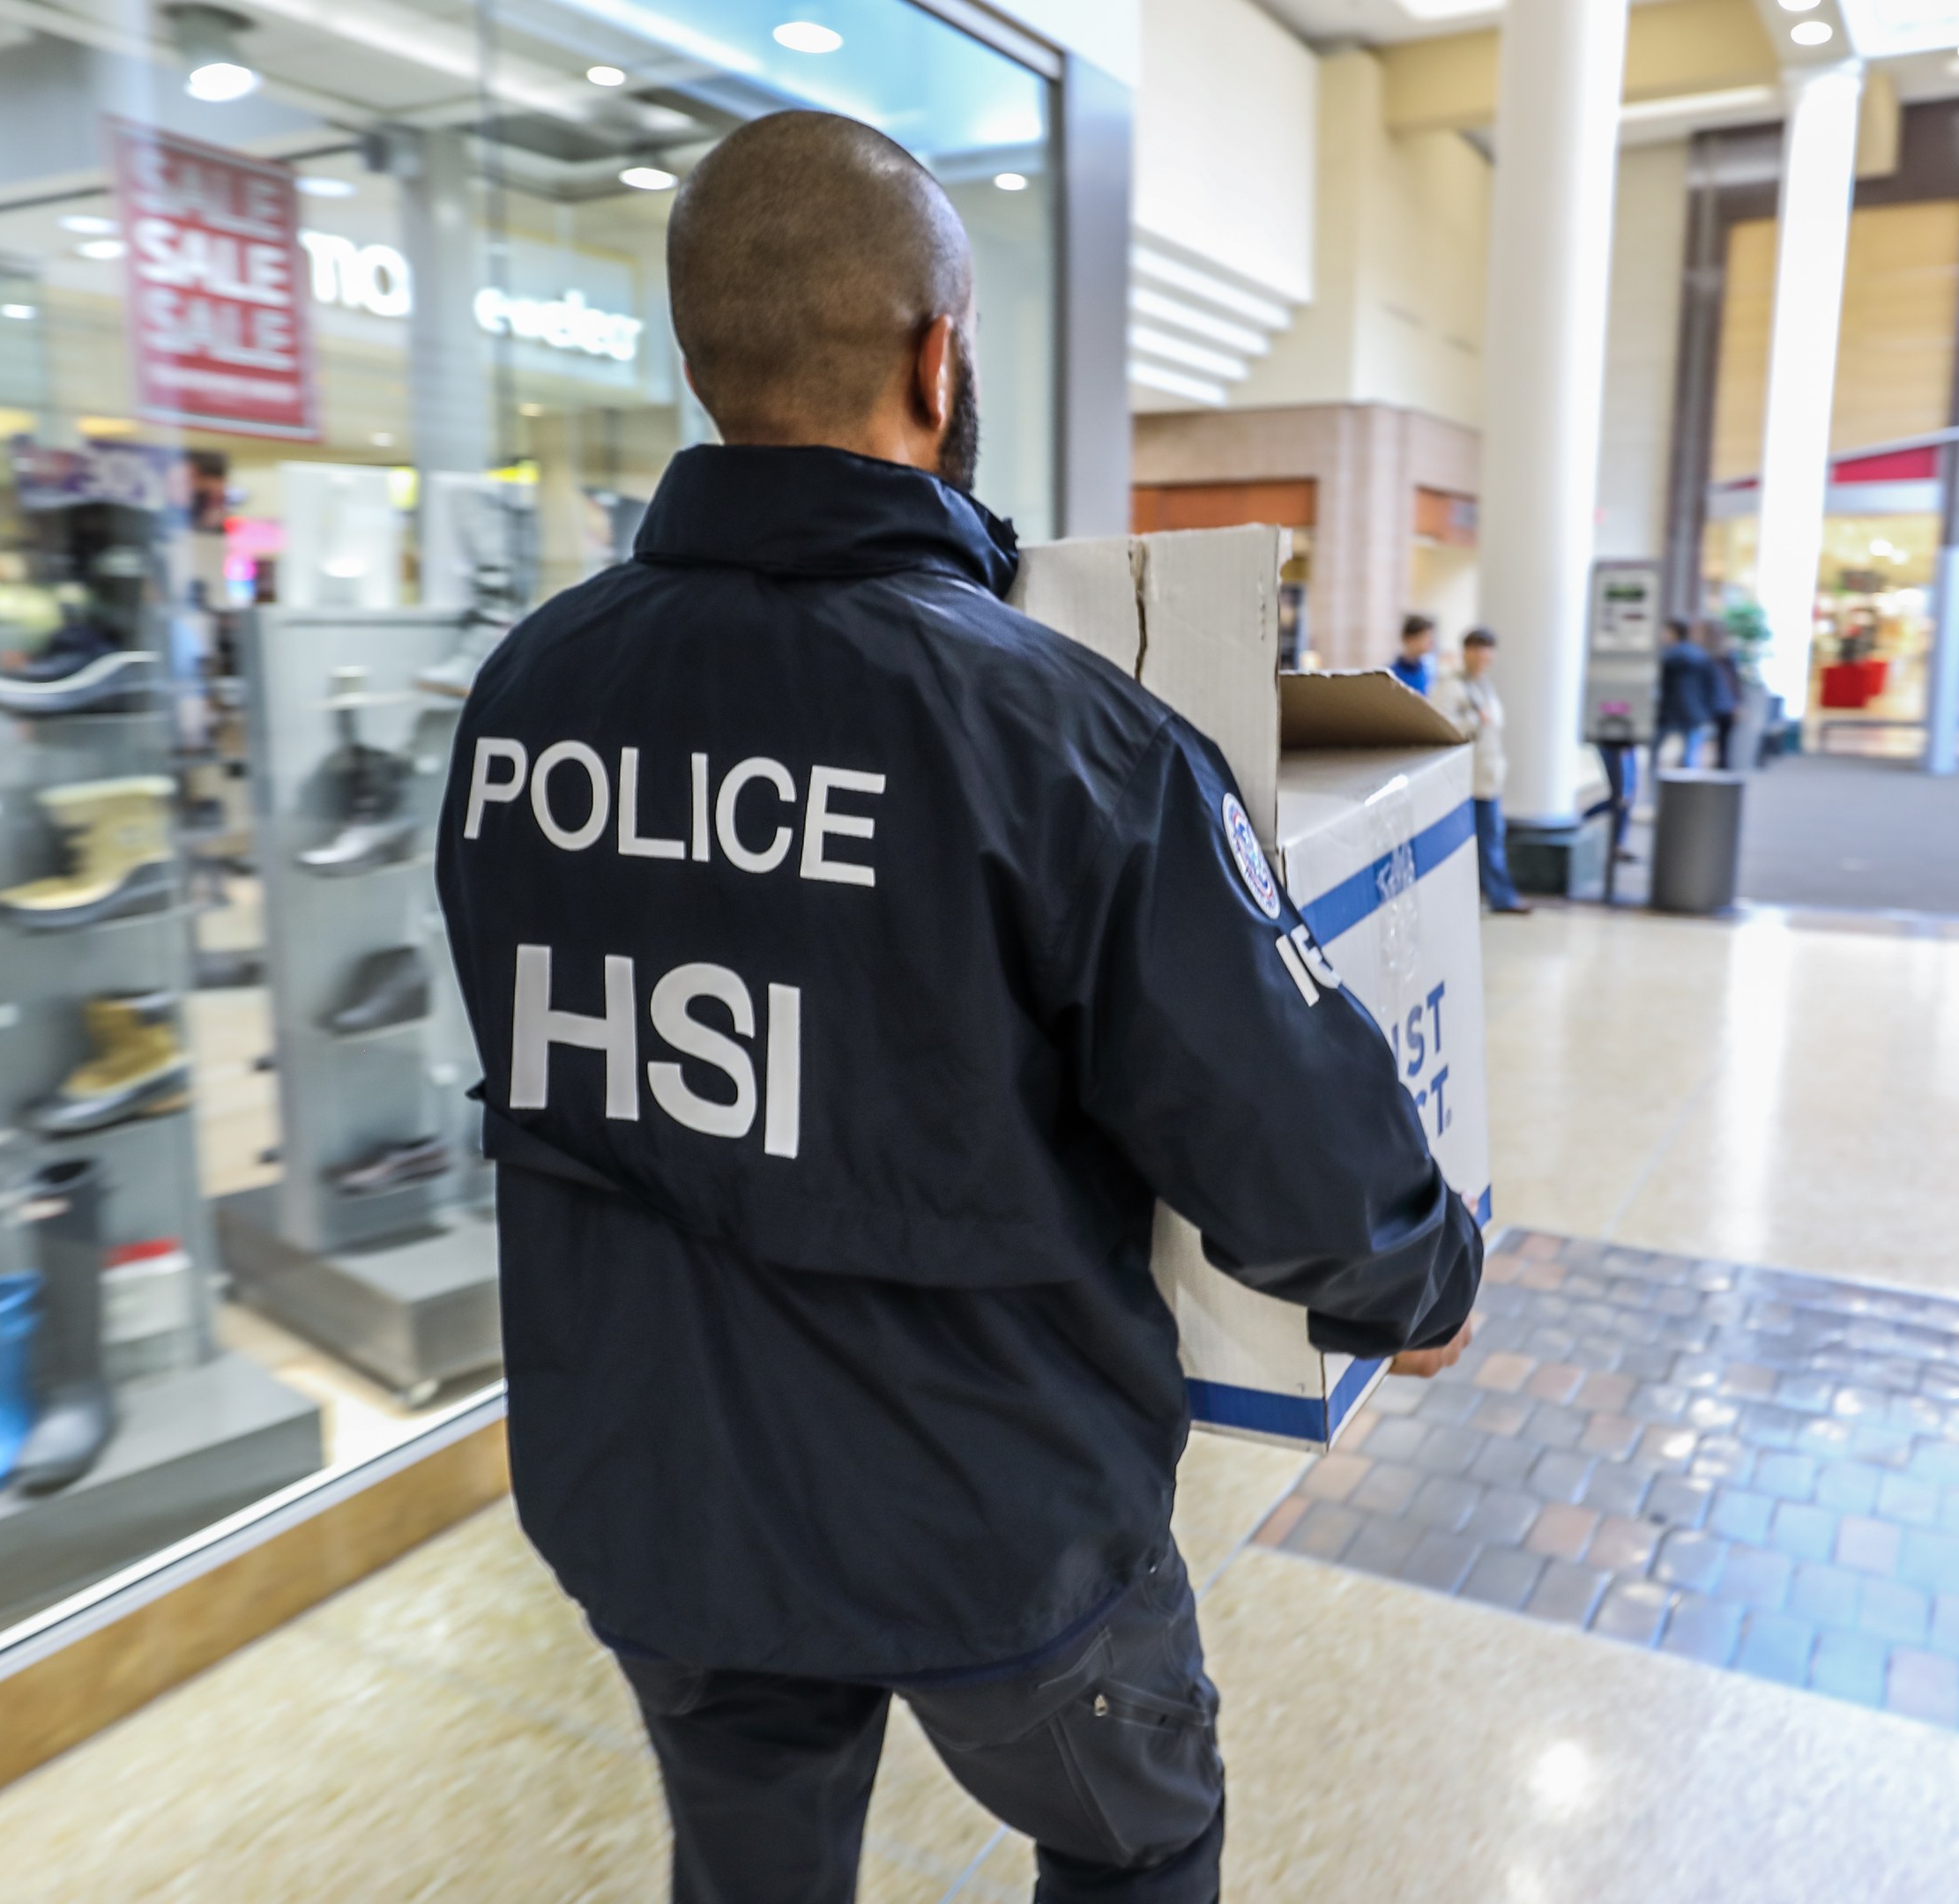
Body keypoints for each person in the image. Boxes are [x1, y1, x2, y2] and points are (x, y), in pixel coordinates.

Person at [436, 111, 1482, 1904]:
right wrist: (1417, 1277)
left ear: (704, 368)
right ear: (938, 359)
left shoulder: (530, 695)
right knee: (1132, 1835)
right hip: (992, 1516)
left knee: (748, 1869)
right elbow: (1271, 1122)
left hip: (652, 1473)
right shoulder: (1061, 736)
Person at [1429, 628, 1527, 914]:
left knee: (1491, 839)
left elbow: (1494, 724)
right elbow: (1442, 726)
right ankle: (1496, 898)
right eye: (1479, 649)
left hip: (1487, 779)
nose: (1485, 657)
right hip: (1466, 783)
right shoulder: (1451, 687)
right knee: (1476, 844)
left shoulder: (1484, 686)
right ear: (1467, 652)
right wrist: (1475, 719)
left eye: (1488, 651)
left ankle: (1496, 896)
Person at [1655, 616, 1719, 771]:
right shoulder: (1700, 656)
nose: (1662, 635)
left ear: (1673, 633)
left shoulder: (1668, 657)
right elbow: (1710, 686)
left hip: (1670, 712)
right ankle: (1689, 793)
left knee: (1656, 754)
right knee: (1690, 758)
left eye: (1665, 631)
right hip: (1696, 712)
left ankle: (1655, 790)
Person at [1708, 621, 1751, 770]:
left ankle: (1722, 766)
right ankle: (1721, 765)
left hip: (1723, 704)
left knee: (1723, 740)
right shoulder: (1714, 657)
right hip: (1720, 704)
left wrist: (1738, 703)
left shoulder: (1726, 659)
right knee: (1720, 739)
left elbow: (1734, 683)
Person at [1389, 612, 1437, 696]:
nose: (1431, 641)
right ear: (1410, 639)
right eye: (1426, 636)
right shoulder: (1392, 674)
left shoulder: (1428, 671)